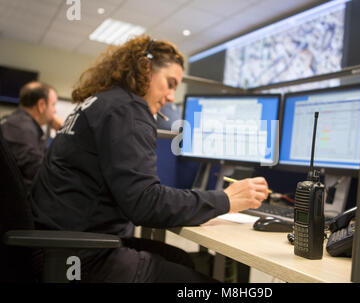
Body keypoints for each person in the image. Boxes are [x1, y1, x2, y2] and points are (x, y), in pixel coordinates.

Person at [30, 35, 269, 283]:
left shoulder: (101, 102)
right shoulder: (128, 109)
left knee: (180, 259)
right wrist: (226, 199)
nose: (169, 97)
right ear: (145, 69)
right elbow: (145, 204)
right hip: (80, 257)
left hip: (60, 245)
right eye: (170, 83)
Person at [0, 82, 63, 189]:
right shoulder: (22, 128)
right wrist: (63, 133)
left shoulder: (18, 123)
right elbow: (38, 172)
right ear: (41, 105)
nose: (55, 110)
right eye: (53, 105)